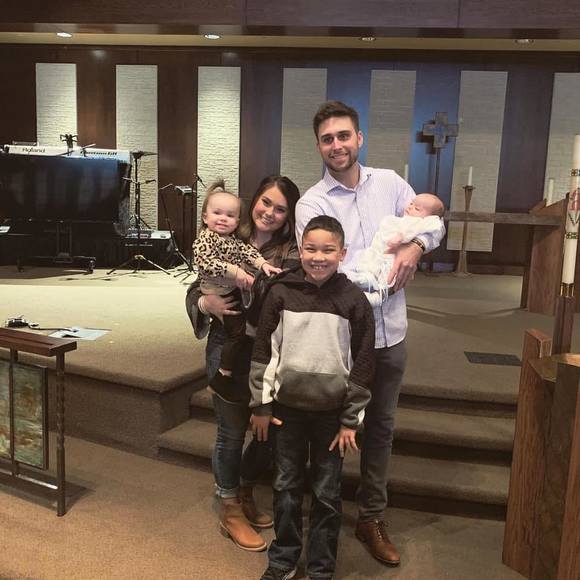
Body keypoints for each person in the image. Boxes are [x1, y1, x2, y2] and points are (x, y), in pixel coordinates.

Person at [295, 101, 445, 567]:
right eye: (327, 139)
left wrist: (415, 246)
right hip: (341, 339)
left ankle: (371, 516)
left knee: (380, 427)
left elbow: (432, 223)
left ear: (359, 138)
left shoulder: (392, 184)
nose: (336, 145)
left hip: (390, 332)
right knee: (331, 428)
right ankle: (324, 517)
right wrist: (374, 272)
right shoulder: (312, 203)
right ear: (319, 146)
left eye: (344, 135)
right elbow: (320, 267)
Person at [250, 216, 375, 580]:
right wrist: (261, 405)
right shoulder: (281, 293)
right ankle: (284, 558)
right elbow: (264, 352)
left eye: (328, 250)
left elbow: (363, 362)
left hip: (332, 416)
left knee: (326, 492)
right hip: (286, 411)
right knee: (285, 486)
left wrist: (350, 420)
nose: (318, 257)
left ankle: (321, 567)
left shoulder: (353, 300)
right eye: (310, 249)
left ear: (343, 253)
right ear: (300, 250)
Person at [186, 175, 301, 553]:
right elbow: (196, 284)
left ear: (288, 215)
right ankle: (230, 504)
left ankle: (246, 487)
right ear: (254, 202)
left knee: (269, 432)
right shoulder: (228, 233)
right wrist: (205, 303)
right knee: (231, 432)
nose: (269, 212)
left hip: (271, 352)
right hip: (228, 345)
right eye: (265, 202)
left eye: (280, 208)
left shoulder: (291, 252)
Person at [192, 180, 281, 403]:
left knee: (241, 331)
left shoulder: (232, 240)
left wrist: (263, 264)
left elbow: (248, 253)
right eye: (217, 213)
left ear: (237, 220)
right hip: (219, 292)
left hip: (239, 301)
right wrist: (207, 302)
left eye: (230, 215)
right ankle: (222, 377)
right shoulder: (206, 238)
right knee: (237, 333)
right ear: (205, 217)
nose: (223, 219)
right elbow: (205, 264)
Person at [350, 193, 445, 306]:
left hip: (394, 259)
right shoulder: (397, 220)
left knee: (393, 276)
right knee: (370, 262)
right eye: (411, 203)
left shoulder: (418, 223)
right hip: (379, 252)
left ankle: (379, 297)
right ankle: (367, 279)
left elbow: (437, 227)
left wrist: (415, 244)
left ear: (428, 217)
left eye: (417, 209)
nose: (410, 207)